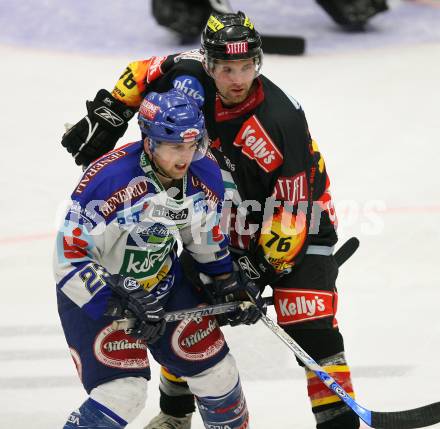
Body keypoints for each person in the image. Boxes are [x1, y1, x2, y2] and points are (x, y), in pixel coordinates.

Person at [61, 11, 360, 429]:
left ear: (257, 63)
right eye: (225, 68)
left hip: (299, 223)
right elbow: (140, 72)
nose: (237, 79)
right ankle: (175, 415)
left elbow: (294, 213)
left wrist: (255, 270)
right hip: (227, 222)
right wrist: (111, 111)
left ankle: (339, 422)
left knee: (309, 321)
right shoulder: (187, 76)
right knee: (189, 311)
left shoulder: (282, 121)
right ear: (208, 65)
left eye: (245, 67)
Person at [55, 88, 264, 429]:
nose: (185, 157)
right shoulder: (108, 182)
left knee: (218, 375)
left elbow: (201, 234)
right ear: (149, 142)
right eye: (174, 146)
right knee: (124, 392)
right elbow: (68, 257)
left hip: (163, 284)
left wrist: (227, 282)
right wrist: (118, 299)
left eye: (191, 145)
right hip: (98, 298)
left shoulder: (203, 173)